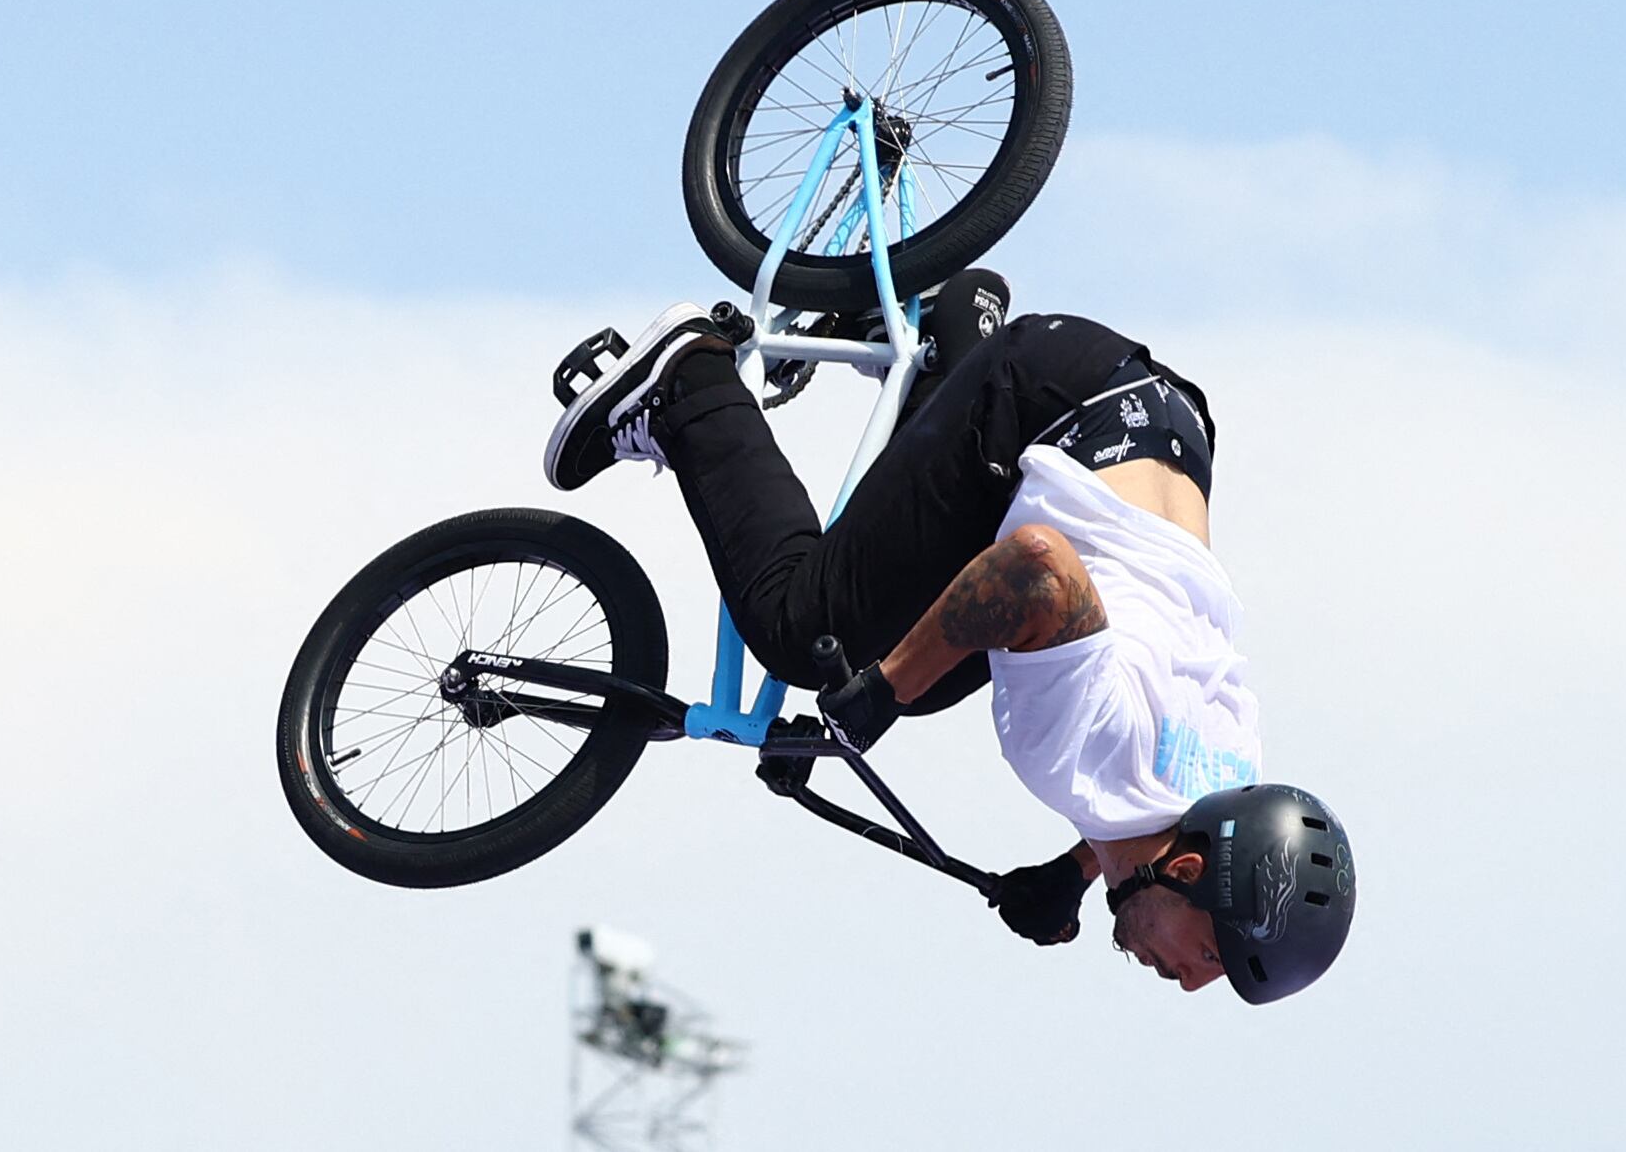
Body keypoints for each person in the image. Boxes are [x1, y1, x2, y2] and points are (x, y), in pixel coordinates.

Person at [543, 272, 1356, 1003]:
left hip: (1155, 422)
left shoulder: (1228, 781)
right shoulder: (1089, 749)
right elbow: (1035, 568)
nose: (1189, 983)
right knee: (806, 629)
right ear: (1184, 871)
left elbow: (1131, 768)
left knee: (936, 661)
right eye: (1210, 957)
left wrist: (1074, 873)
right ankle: (686, 382)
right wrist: (878, 691)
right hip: (1043, 405)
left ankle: (955, 325)